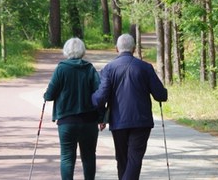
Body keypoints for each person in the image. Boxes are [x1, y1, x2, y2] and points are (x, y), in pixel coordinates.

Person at [92, 33, 168, 180]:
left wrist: (91, 99)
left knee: (122, 160)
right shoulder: (145, 67)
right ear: (134, 49)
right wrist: (163, 91)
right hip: (141, 121)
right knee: (134, 159)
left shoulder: (109, 69)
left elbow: (100, 98)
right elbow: (160, 95)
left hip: (118, 121)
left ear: (116, 49)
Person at [43, 37, 102, 180]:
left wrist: (46, 94)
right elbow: (100, 94)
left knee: (67, 158)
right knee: (88, 157)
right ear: (82, 51)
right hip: (89, 121)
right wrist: (101, 117)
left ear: (66, 51)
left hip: (66, 121)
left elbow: (49, 95)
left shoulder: (61, 68)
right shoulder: (89, 68)